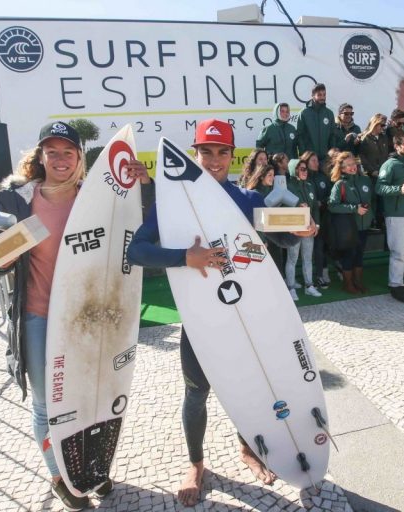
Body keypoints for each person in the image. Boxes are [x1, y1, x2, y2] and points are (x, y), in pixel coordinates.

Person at [127, 119, 316, 507]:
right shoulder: (172, 202)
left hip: (248, 310)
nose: (214, 160)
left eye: (222, 152)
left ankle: (248, 447)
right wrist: (184, 257)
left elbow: (273, 235)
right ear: (194, 155)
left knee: (252, 383)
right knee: (197, 392)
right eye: (206, 152)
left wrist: (300, 230)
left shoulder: (246, 198)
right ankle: (196, 464)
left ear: (233, 156)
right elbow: (137, 251)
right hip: (203, 318)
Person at [0, 121, 152, 510]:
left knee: (93, 394)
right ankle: (60, 474)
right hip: (39, 316)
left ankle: (90, 468)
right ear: (40, 157)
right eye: (52, 152)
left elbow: (134, 232)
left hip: (90, 316)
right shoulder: (19, 200)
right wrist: (3, 252)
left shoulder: (94, 200)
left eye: (68, 152)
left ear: (80, 158)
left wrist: (139, 186)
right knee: (48, 403)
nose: (60, 159)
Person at [376, 133, 404, 303]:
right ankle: (395, 285)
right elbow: (379, 188)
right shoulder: (390, 165)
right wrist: (398, 190)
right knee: (399, 252)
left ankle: (399, 282)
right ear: (397, 146)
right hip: (396, 215)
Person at [328, 151, 374, 293]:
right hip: (348, 228)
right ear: (341, 168)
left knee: (359, 254)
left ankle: (358, 281)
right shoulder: (340, 184)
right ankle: (347, 284)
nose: (352, 167)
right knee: (349, 255)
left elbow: (372, 200)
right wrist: (354, 208)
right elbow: (332, 206)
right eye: (348, 165)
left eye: (353, 163)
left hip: (364, 225)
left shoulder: (365, 180)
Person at [285, 158, 321, 300]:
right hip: (294, 228)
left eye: (306, 169)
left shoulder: (310, 185)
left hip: (309, 228)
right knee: (292, 258)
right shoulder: (288, 186)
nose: (305, 172)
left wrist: (316, 224)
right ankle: (291, 287)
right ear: (294, 170)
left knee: (307, 258)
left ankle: (309, 286)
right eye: (301, 169)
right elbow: (286, 206)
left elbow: (314, 208)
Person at [300, 150, 333, 288]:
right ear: (306, 162)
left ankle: (321, 274)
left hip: (323, 217)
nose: (316, 163)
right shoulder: (303, 178)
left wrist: (323, 202)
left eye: (317, 160)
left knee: (321, 247)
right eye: (313, 160)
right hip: (306, 219)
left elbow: (331, 195)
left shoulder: (323, 177)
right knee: (308, 251)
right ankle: (310, 278)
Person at [296, 83, 337, 162]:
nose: (322, 97)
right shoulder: (304, 113)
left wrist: (332, 154)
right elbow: (299, 136)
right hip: (309, 159)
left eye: (324, 95)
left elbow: (333, 135)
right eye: (319, 95)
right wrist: (304, 154)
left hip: (326, 158)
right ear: (313, 95)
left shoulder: (329, 113)